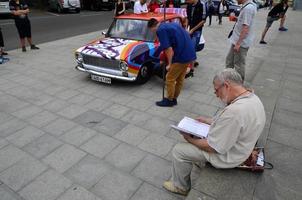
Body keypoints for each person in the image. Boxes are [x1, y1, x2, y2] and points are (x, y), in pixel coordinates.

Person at [163, 69, 266, 196]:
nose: (216, 95)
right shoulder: (252, 97)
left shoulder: (235, 112)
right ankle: (197, 161)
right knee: (197, 141)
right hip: (243, 146)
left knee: (178, 150)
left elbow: (213, 147)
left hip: (231, 156)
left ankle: (180, 187)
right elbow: (233, 124)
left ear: (227, 86)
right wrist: (208, 121)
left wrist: (188, 138)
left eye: (216, 90)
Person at [148, 18, 196, 107]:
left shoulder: (160, 30)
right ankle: (174, 99)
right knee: (180, 79)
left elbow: (168, 49)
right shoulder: (171, 24)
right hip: (189, 53)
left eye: (152, 31)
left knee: (169, 78)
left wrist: (170, 64)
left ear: (152, 27)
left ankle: (169, 100)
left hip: (181, 56)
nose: (153, 33)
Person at [225, 0, 256, 81]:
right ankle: (229, 80)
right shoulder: (247, 6)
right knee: (229, 61)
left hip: (241, 42)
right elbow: (244, 22)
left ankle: (239, 84)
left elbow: (246, 27)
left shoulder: (248, 8)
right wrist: (236, 19)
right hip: (237, 40)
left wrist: (238, 44)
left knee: (239, 65)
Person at [187, 0, 206, 67]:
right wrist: (187, 28)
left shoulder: (201, 4)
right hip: (190, 29)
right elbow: (187, 18)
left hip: (197, 30)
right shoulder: (189, 5)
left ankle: (191, 68)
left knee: (193, 47)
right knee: (189, 47)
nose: (187, 1)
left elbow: (203, 21)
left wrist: (193, 29)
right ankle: (191, 62)